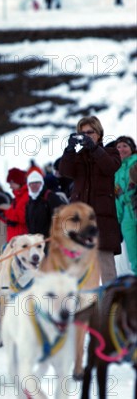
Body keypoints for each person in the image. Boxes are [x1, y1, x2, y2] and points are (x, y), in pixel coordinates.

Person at [59, 116, 121, 283]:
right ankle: (86, 307)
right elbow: (65, 171)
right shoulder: (78, 157)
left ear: (99, 133)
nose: (86, 136)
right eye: (82, 133)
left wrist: (94, 149)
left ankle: (112, 306)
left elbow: (110, 167)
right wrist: (69, 150)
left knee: (107, 270)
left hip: (102, 220)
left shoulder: (110, 152)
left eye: (90, 132)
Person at [114, 136, 137, 274]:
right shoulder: (116, 170)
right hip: (126, 216)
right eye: (118, 147)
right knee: (132, 251)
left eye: (125, 146)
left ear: (132, 148)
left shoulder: (135, 162)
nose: (121, 149)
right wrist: (117, 219)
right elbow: (116, 196)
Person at [25, 170, 65, 241]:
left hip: (50, 241)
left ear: (42, 183)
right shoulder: (29, 202)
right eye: (31, 183)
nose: (34, 185)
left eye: (37, 182)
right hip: (36, 241)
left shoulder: (50, 197)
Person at [0, 168, 29, 242]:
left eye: (11, 183)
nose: (10, 186)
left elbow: (21, 217)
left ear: (18, 181)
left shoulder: (26, 196)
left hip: (22, 239)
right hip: (14, 239)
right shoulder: (17, 197)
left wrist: (5, 212)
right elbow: (12, 217)